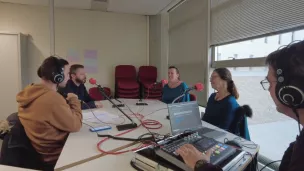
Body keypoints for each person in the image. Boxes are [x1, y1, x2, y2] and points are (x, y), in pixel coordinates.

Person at [177, 40, 304, 171]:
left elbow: (222, 130)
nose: (268, 89)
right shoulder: (296, 147)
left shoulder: (231, 103)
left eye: (270, 83)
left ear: (290, 92)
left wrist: (200, 165)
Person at [15, 57, 82, 169]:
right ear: (57, 76)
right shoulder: (52, 99)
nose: (68, 77)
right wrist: (74, 100)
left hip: (41, 153)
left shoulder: (30, 92)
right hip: (57, 157)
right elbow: (76, 125)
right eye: (66, 73)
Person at [202, 68, 250, 140]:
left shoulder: (230, 103)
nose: (210, 80)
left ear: (225, 79)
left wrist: (203, 135)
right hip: (207, 133)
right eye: (210, 77)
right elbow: (205, 119)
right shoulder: (212, 96)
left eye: (214, 77)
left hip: (219, 138)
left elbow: (222, 130)